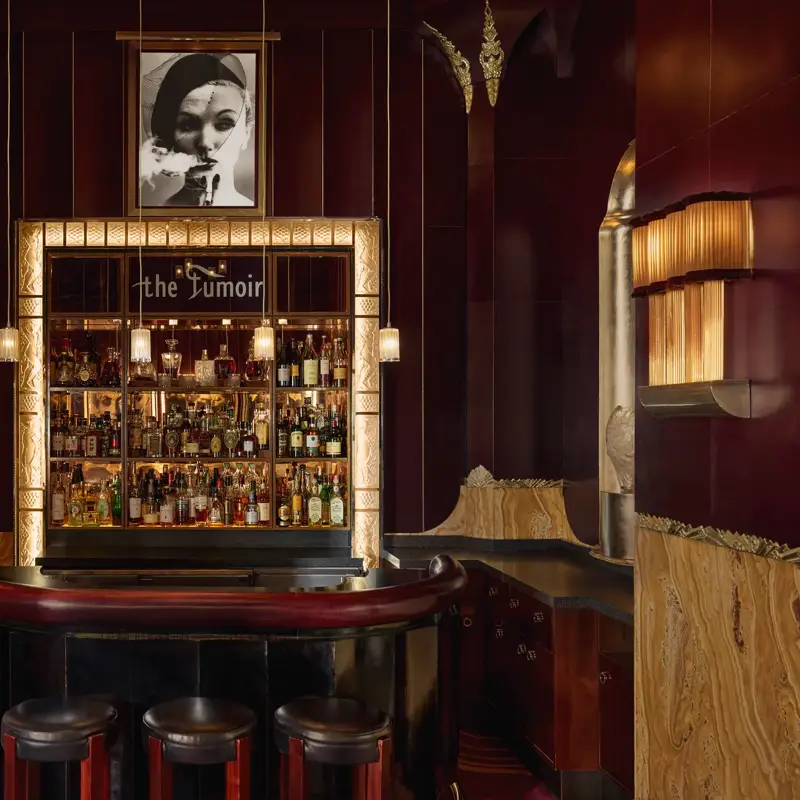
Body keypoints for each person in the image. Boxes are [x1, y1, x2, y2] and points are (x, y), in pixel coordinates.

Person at [142, 52, 255, 207]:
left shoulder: (260, 222)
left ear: (246, 133)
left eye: (224, 125)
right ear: (170, 136)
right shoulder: (154, 220)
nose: (204, 142)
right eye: (187, 126)